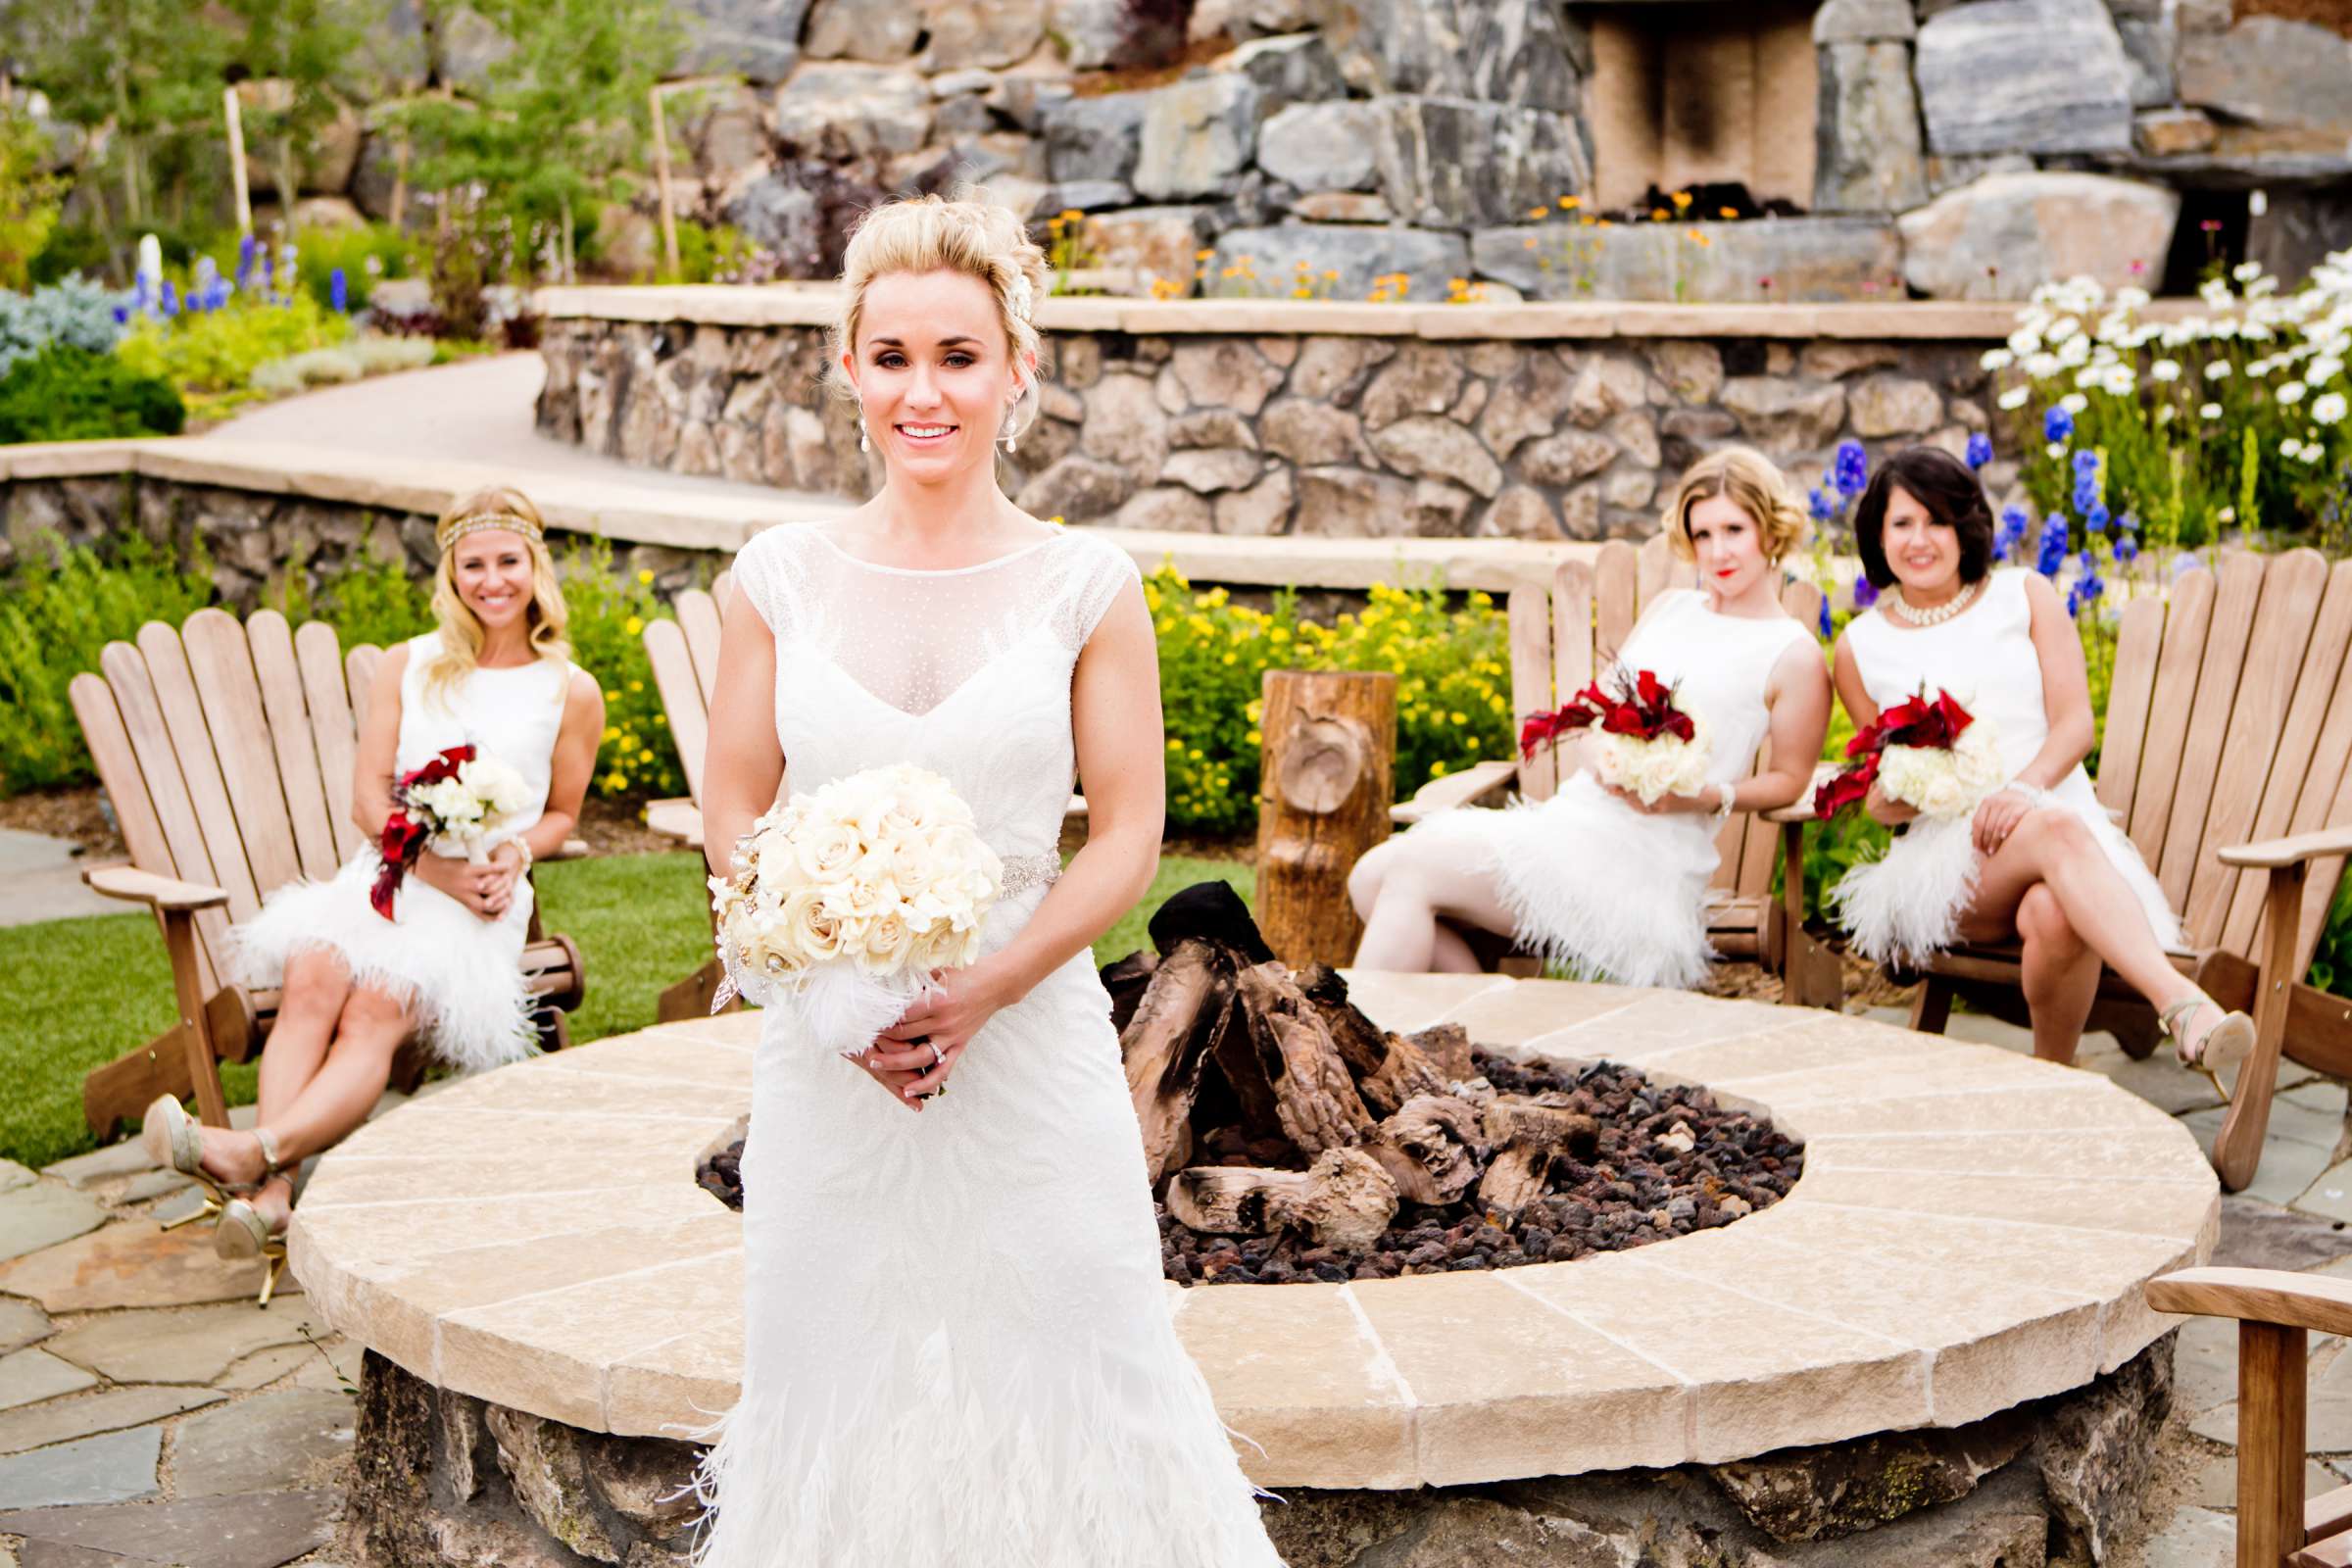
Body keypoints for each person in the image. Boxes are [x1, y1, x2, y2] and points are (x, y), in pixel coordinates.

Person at [690, 194, 1283, 1565]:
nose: (924, 390)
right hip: (828, 1062)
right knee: (833, 1363)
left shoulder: (1086, 582)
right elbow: (733, 797)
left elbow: (1128, 833)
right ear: (847, 370)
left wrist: (985, 992)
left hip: (1029, 1049)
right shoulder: (776, 579)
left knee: (1077, 1346)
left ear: (1018, 367)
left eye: (958, 355)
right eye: (890, 355)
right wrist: (811, 966)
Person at [139, 486, 604, 1271]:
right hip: (392, 872)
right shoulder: (410, 664)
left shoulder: (570, 689)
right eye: (473, 565)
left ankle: (255, 1153)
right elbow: (366, 798)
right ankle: (275, 1190)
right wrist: (429, 866)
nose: (492, 581)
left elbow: (560, 813)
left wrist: (511, 858)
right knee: (312, 974)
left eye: (508, 562)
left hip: (482, 899)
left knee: (375, 1008)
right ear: (450, 575)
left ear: (536, 567)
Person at [1828, 444, 2253, 1077]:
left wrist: (2022, 791)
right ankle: (2182, 1005)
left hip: (2063, 844)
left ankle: (2052, 1084)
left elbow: (2075, 724)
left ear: (1964, 526)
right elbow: (1878, 784)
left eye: (1938, 520)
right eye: (1903, 523)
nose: (1922, 539)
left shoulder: (2023, 595)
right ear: (1877, 535)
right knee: (2054, 828)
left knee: (2053, 912)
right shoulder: (1860, 646)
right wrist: (1891, 797)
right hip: (1948, 864)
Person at [1348, 447, 1833, 986]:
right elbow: (1597, 716)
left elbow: (1789, 779)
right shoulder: (1671, 609)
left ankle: (1370, 1055)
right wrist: (1606, 760)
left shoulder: (1794, 654)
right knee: (1368, 878)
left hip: (1644, 867)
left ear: (1771, 528)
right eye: (1702, 535)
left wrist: (1703, 795)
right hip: (1572, 825)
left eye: (1734, 530)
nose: (1717, 551)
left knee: (1406, 875)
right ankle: (1478, 1032)